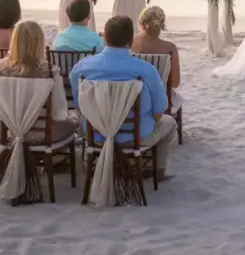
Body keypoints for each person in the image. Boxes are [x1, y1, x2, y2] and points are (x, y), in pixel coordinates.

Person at [70, 16, 176, 179]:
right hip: (136, 137)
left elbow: (79, 107)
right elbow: (159, 112)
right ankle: (157, 172)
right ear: (131, 40)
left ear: (104, 38)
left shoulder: (81, 68)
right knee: (170, 123)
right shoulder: (147, 71)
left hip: (95, 135)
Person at [0, 21, 77, 143]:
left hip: (9, 131)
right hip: (42, 133)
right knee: (73, 122)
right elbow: (58, 112)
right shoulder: (49, 71)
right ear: (40, 43)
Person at [130, 6, 182, 109]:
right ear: (162, 24)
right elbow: (175, 83)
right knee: (178, 99)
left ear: (141, 22)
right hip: (160, 99)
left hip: (134, 97)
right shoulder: (170, 48)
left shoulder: (130, 42)